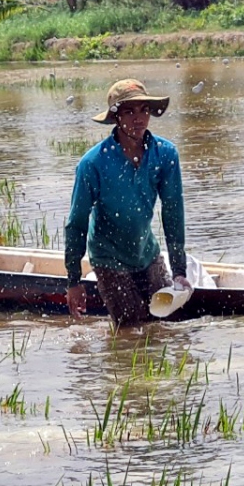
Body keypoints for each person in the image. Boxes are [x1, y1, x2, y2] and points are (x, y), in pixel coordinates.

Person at [65, 79, 189, 328]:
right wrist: (74, 281)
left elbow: (173, 212)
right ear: (116, 117)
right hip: (108, 257)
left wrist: (179, 271)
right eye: (129, 112)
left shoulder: (165, 154)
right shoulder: (93, 164)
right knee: (130, 328)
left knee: (167, 322)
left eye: (144, 110)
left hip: (147, 253)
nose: (139, 118)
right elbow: (76, 222)